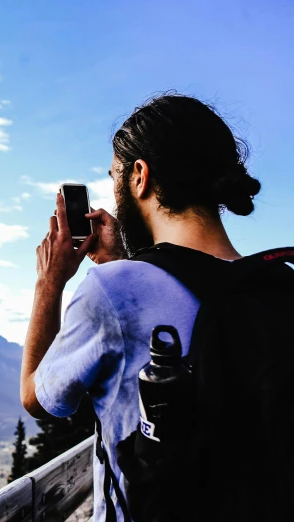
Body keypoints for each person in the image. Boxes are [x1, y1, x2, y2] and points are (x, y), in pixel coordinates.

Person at [18, 93, 262, 521]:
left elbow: (37, 398)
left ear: (139, 176)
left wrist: (49, 282)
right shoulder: (274, 284)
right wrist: (123, 261)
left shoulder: (113, 291)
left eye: (115, 176)